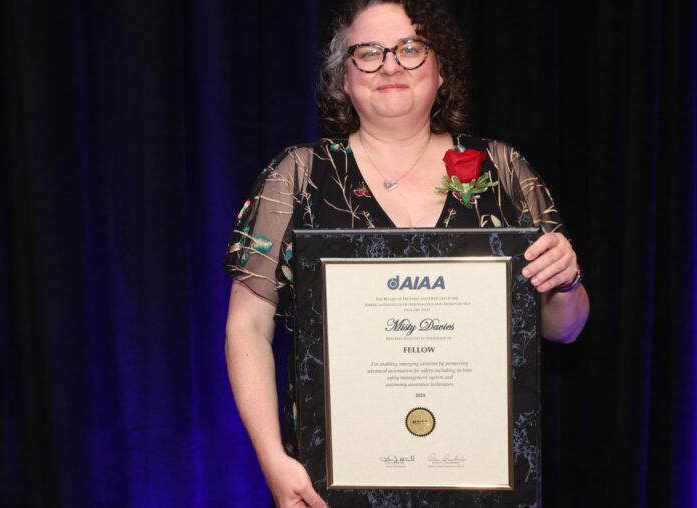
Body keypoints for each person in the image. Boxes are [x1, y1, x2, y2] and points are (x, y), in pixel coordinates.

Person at [223, 1, 589, 505]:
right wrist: (272, 459)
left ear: (442, 71)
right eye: (368, 53)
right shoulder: (298, 176)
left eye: (411, 48)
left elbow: (564, 328)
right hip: (331, 486)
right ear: (344, 80)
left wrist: (566, 281)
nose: (390, 65)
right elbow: (247, 326)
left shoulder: (504, 170)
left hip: (480, 479)